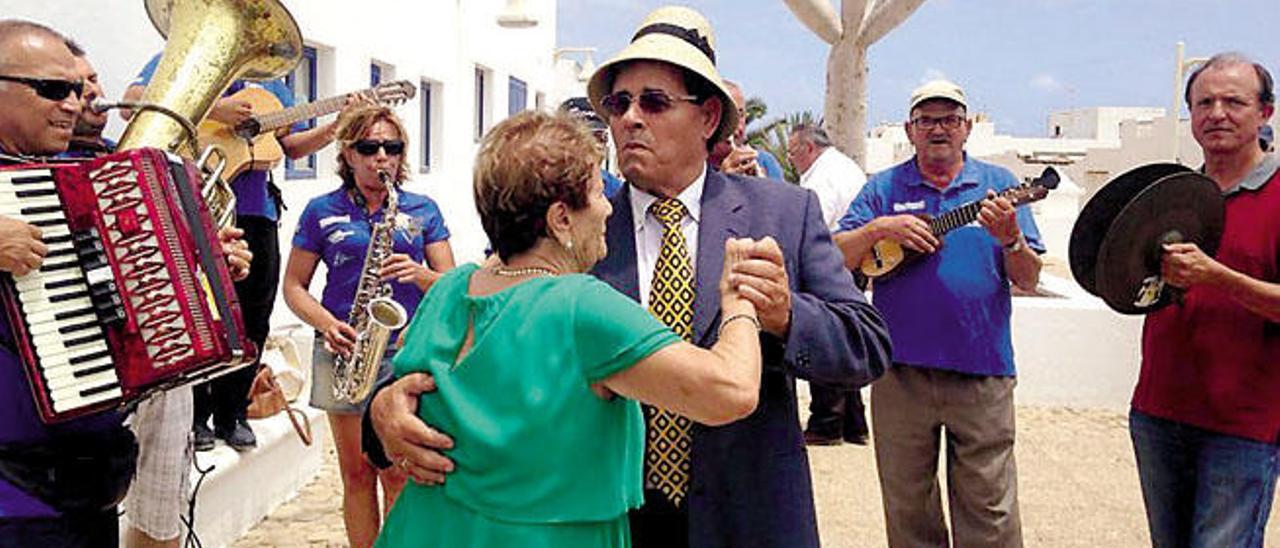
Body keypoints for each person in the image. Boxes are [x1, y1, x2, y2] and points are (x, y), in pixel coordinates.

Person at [367, 7, 893, 548]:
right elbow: (466, 347)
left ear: (709, 117)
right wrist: (382, 415)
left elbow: (867, 347)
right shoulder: (570, 230)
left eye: (654, 102)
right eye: (619, 103)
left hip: (747, 520)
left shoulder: (784, 215)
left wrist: (784, 316)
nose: (629, 119)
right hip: (610, 523)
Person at [371, 109, 764, 547]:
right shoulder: (580, 306)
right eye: (598, 192)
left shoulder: (449, 289)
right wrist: (739, 300)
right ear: (561, 218)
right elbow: (731, 392)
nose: (608, 206)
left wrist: (379, 406)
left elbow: (407, 384)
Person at [0, 21, 249, 547]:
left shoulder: (71, 179)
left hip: (86, 481)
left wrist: (199, 264)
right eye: (52, 89)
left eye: (76, 89)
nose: (74, 103)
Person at [833, 79, 1044, 548]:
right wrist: (879, 227)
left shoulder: (1001, 187)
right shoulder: (883, 188)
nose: (938, 129)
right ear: (910, 129)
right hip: (899, 374)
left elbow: (1028, 277)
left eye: (949, 119)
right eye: (927, 120)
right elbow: (834, 253)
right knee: (908, 509)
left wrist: (1011, 237)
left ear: (967, 127)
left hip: (982, 372)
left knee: (990, 513)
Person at [125, 53, 346, 453]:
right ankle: (194, 415)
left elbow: (289, 148)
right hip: (192, 206)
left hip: (255, 211)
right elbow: (134, 100)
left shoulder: (272, 84)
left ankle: (233, 412)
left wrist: (335, 127)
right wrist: (214, 107)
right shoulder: (186, 58)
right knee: (196, 310)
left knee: (252, 317)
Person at [282, 105, 453, 548]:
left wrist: (419, 274)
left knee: (396, 471)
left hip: (403, 352)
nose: (382, 157)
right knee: (356, 472)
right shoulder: (322, 210)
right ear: (349, 153)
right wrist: (327, 324)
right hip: (343, 350)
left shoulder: (422, 209)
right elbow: (294, 287)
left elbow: (452, 285)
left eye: (392, 148)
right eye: (370, 147)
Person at [1128, 52, 1279, 548]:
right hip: (1157, 412)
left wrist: (1217, 277)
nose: (1217, 113)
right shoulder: (1174, 193)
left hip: (1243, 426)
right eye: (1204, 102)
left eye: (1234, 101)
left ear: (1266, 113)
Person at [785, 122, 870, 446]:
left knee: (824, 338)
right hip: (854, 263)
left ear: (808, 149)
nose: (791, 160)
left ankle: (827, 422)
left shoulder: (822, 177)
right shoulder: (844, 167)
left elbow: (809, 226)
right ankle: (854, 423)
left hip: (831, 264)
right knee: (845, 334)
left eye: (793, 153)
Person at [709, 79, 784, 180]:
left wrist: (766, 187)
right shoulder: (694, 168)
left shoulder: (765, 162)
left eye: (741, 115)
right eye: (728, 116)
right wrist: (723, 181)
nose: (738, 127)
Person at [560, 96, 624, 197]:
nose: (596, 145)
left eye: (601, 137)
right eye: (586, 139)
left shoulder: (616, 191)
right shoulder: (542, 185)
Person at [61, 39, 111, 158]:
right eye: (76, 85)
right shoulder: (49, 163)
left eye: (93, 80)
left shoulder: (121, 147)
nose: (93, 91)